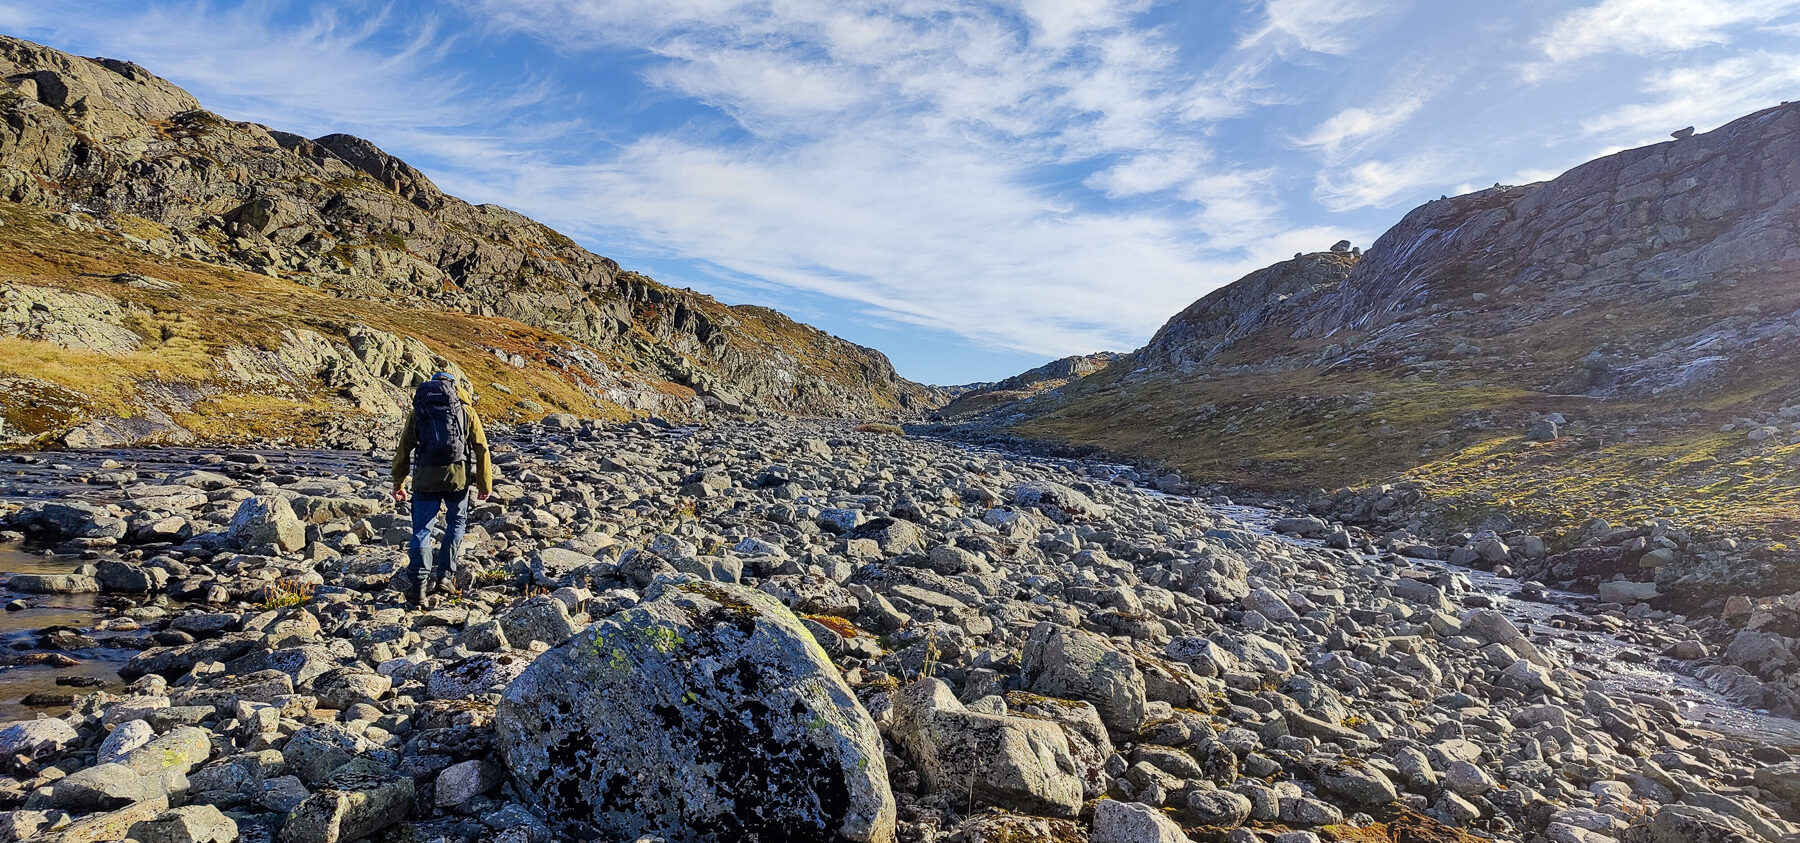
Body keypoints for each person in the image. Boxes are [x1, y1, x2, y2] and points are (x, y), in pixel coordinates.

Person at [391, 372, 493, 607]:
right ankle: (445, 577)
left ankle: (418, 586)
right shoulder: (466, 410)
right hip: (458, 479)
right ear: (454, 387)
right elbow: (481, 448)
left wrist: (399, 483)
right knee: (456, 524)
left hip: (425, 479)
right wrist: (484, 484)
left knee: (422, 530)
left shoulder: (420, 410)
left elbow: (404, 448)